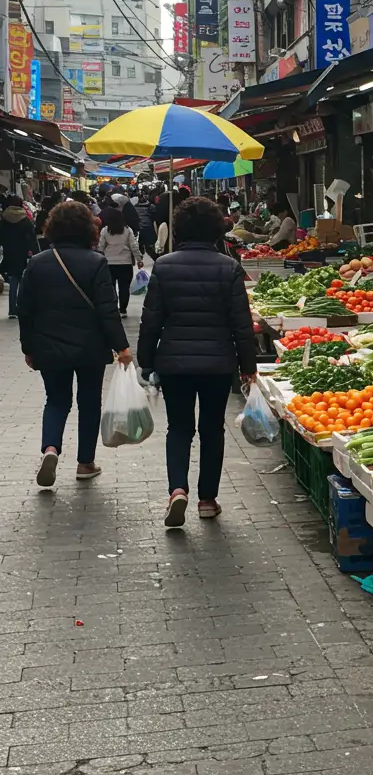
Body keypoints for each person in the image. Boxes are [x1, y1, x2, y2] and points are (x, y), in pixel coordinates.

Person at [138, 197, 258, 527]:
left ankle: (177, 489)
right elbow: (241, 323)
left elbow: (151, 321)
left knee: (178, 428)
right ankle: (207, 499)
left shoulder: (163, 265)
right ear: (216, 228)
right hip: (218, 363)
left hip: (174, 362)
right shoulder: (229, 266)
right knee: (211, 429)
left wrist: (145, 363)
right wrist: (249, 365)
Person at [19, 201, 132, 487]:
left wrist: (28, 348)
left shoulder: (38, 262)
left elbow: (25, 309)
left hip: (48, 346)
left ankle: (51, 448)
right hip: (90, 348)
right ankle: (85, 463)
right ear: (88, 229)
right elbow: (108, 309)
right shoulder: (96, 262)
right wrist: (122, 347)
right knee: (89, 402)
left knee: (56, 400)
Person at [97, 208, 143, 318]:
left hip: (109, 263)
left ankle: (113, 308)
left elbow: (101, 246)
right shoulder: (127, 230)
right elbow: (134, 246)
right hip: (125, 263)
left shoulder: (105, 230)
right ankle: (123, 310)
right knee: (124, 288)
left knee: (111, 288)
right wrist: (139, 259)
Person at [1, 195, 39, 318]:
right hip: (22, 254)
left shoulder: (4, 220)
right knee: (23, 281)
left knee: (13, 281)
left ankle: (12, 309)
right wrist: (35, 253)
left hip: (8, 254)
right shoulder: (25, 220)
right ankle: (22, 307)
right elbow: (31, 238)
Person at [135, 188, 157, 260]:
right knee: (150, 247)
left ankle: (141, 252)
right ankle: (155, 258)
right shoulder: (151, 207)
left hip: (139, 228)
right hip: (148, 228)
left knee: (140, 244)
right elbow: (155, 217)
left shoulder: (135, 208)